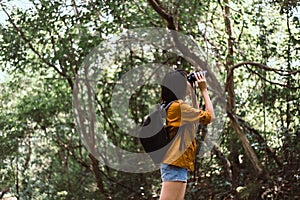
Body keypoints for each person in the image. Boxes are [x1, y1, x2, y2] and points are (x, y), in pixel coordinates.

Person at [159, 69, 215, 200]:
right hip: (175, 164)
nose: (188, 83)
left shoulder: (174, 106)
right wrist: (204, 90)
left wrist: (194, 90)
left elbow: (197, 119)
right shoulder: (178, 107)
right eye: (186, 81)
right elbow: (210, 117)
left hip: (177, 164)